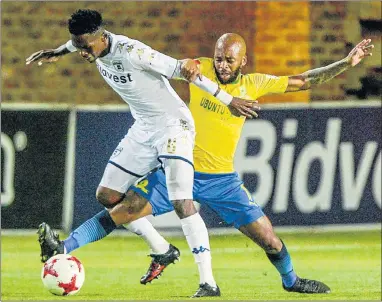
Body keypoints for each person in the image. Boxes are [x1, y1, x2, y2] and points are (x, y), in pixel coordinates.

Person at [32, 29, 373, 296]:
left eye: (228, 60)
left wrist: (346, 63)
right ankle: (62, 247)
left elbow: (306, 79)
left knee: (269, 239)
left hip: (223, 180)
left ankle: (291, 280)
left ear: (243, 61)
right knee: (120, 211)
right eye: (218, 57)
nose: (221, 64)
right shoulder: (202, 70)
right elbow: (174, 67)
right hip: (179, 168)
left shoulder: (256, 84)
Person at [26, 10, 260, 298]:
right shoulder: (87, 43)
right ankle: (162, 249)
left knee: (182, 202)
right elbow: (74, 44)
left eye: (87, 47)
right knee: (107, 195)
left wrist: (229, 99)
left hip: (175, 126)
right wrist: (58, 51)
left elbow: (185, 71)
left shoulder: (135, 52)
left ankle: (208, 283)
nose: (83, 53)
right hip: (145, 127)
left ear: (102, 37)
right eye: (79, 45)